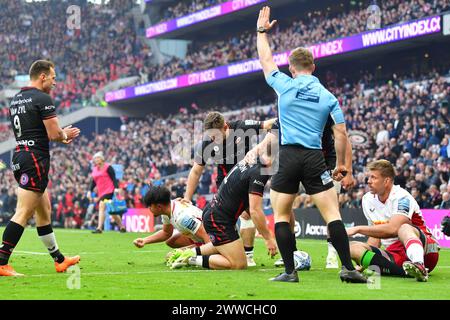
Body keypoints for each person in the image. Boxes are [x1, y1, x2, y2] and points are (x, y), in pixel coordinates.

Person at [256, 6, 366, 283]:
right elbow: (341, 133)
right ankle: (348, 269)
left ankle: (290, 272)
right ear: (313, 67)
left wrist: (261, 32)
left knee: (281, 216)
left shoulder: (284, 84)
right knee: (332, 215)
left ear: (292, 68)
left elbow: (266, 60)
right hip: (315, 157)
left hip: (289, 156)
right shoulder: (329, 96)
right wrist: (343, 166)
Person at [0, 60, 81, 276]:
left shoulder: (16, 99)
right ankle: (2, 261)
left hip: (21, 154)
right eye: (53, 78)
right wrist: (65, 135)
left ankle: (59, 260)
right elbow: (54, 134)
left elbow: (32, 130)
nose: (55, 82)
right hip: (34, 158)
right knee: (23, 212)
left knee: (44, 210)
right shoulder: (42, 98)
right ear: (43, 76)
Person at [184, 111, 275, 266]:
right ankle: (233, 254)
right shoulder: (207, 143)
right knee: (228, 221)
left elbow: (270, 123)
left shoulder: (242, 128)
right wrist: (187, 197)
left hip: (247, 177)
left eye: (215, 136)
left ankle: (247, 255)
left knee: (247, 214)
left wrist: (286, 120)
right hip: (226, 184)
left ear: (225, 127)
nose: (213, 140)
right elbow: (196, 171)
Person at [170, 145, 277, 270]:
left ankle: (188, 253)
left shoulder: (249, 160)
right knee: (239, 264)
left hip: (216, 213)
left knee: (223, 246)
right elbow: (255, 210)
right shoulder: (260, 172)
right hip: (218, 219)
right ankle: (191, 259)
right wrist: (268, 238)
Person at [347, 160, 440, 282]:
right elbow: (375, 234)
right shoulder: (367, 199)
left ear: (386, 181)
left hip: (425, 251)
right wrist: (363, 262)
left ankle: (419, 265)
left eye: (373, 177)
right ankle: (404, 271)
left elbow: (393, 229)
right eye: (369, 177)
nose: (368, 181)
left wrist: (358, 229)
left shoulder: (402, 197)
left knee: (403, 228)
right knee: (352, 248)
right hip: (395, 254)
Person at [132, 186, 210, 250]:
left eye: (150, 206)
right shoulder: (167, 210)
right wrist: (145, 240)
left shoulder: (182, 217)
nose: (149, 209)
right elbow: (166, 233)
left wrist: (206, 255)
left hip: (212, 237)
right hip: (201, 238)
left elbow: (206, 234)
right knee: (171, 242)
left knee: (179, 256)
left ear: (159, 206)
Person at [90, 152, 125, 233]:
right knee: (112, 211)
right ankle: (122, 227)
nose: (96, 160)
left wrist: (116, 188)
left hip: (109, 191)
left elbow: (114, 178)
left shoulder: (108, 167)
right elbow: (93, 182)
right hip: (101, 192)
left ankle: (99, 228)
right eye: (95, 158)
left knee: (102, 205)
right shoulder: (95, 169)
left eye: (97, 158)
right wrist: (89, 191)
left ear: (102, 159)